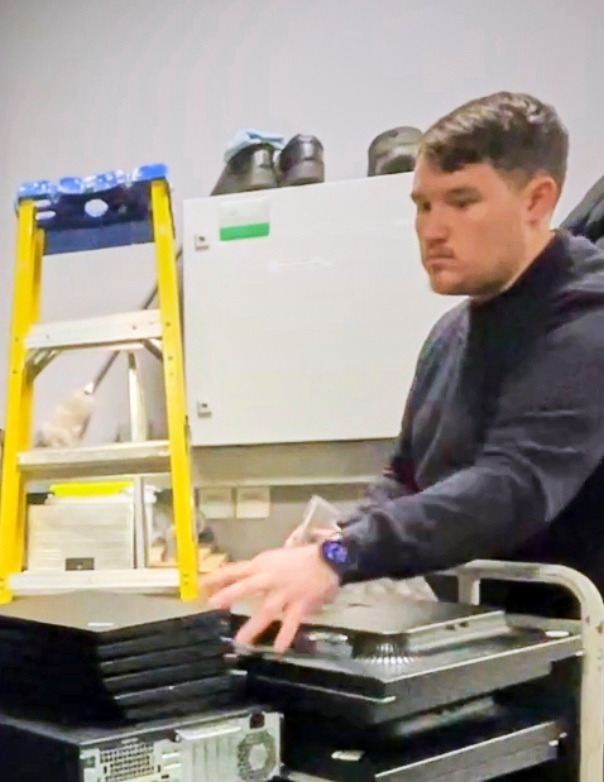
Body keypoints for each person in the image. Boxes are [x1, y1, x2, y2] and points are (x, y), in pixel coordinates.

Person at [203, 92, 604, 650]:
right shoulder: (451, 333)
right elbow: (407, 477)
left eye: (461, 202)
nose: (432, 230)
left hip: (575, 653)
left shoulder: (586, 324)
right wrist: (336, 534)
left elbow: (512, 485)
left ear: (537, 200)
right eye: (422, 205)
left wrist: (340, 557)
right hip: (483, 644)